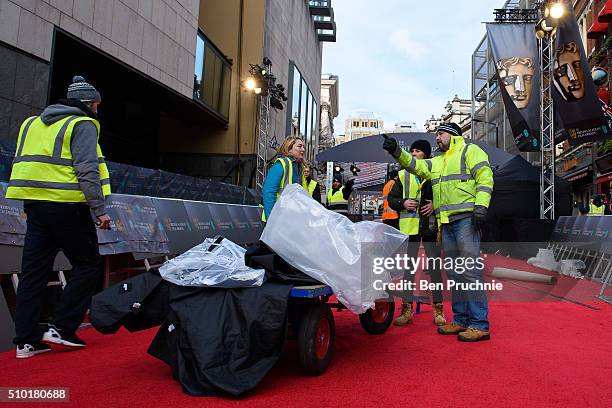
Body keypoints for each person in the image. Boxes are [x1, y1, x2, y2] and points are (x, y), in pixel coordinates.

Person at [6, 75, 112, 358]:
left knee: (33, 273)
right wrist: (99, 210)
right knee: (88, 264)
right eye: (96, 105)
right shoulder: (83, 124)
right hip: (68, 206)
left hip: (34, 207)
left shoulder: (32, 123)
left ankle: (25, 342)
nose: (97, 111)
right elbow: (87, 170)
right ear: (88, 103)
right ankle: (62, 327)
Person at [383, 122, 494, 342]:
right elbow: (415, 165)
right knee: (455, 274)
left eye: (440, 134)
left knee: (470, 272)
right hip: (448, 222)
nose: (437, 138)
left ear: (452, 135)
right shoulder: (438, 161)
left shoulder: (470, 151)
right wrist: (397, 151)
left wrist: (481, 206)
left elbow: (485, 177)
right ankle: (461, 320)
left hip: (466, 219)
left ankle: (480, 324)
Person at [388, 140, 446, 327]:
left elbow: (448, 195)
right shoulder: (403, 175)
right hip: (411, 229)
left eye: (418, 151)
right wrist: (403, 203)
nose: (413, 153)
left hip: (430, 228)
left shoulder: (436, 173)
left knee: (435, 270)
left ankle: (439, 311)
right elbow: (392, 198)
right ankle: (406, 311)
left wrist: (436, 205)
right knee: (409, 271)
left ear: (427, 155)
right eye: (411, 150)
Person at [261, 136, 308, 222]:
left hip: (291, 218)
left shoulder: (300, 167)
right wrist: (271, 220)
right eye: (299, 146)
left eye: (303, 147)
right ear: (289, 149)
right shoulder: (281, 164)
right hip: (278, 218)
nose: (303, 149)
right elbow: (269, 192)